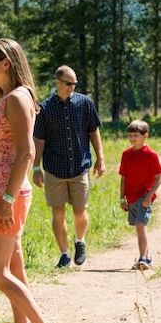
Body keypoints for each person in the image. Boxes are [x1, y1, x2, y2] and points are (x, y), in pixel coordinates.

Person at [0, 38, 64, 323]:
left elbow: (28, 151)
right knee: (14, 267)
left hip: (7, 195)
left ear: (6, 63)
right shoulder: (12, 96)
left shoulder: (17, 99)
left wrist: (6, 198)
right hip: (4, 192)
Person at [33, 65, 105, 268]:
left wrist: (100, 158)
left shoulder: (85, 103)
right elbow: (39, 140)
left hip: (79, 167)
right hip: (54, 169)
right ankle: (64, 254)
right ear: (58, 82)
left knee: (80, 212)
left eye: (74, 84)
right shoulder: (45, 108)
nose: (72, 87)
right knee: (58, 213)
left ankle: (80, 242)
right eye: (68, 83)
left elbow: (94, 131)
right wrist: (36, 168)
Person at [119, 120, 161, 270]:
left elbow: (158, 177)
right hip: (131, 197)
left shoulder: (151, 155)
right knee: (138, 227)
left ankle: (143, 258)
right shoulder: (126, 154)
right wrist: (121, 198)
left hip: (145, 196)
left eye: (136, 135)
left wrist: (150, 195)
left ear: (145, 136)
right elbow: (123, 178)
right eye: (130, 135)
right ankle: (147, 256)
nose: (132, 138)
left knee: (140, 225)